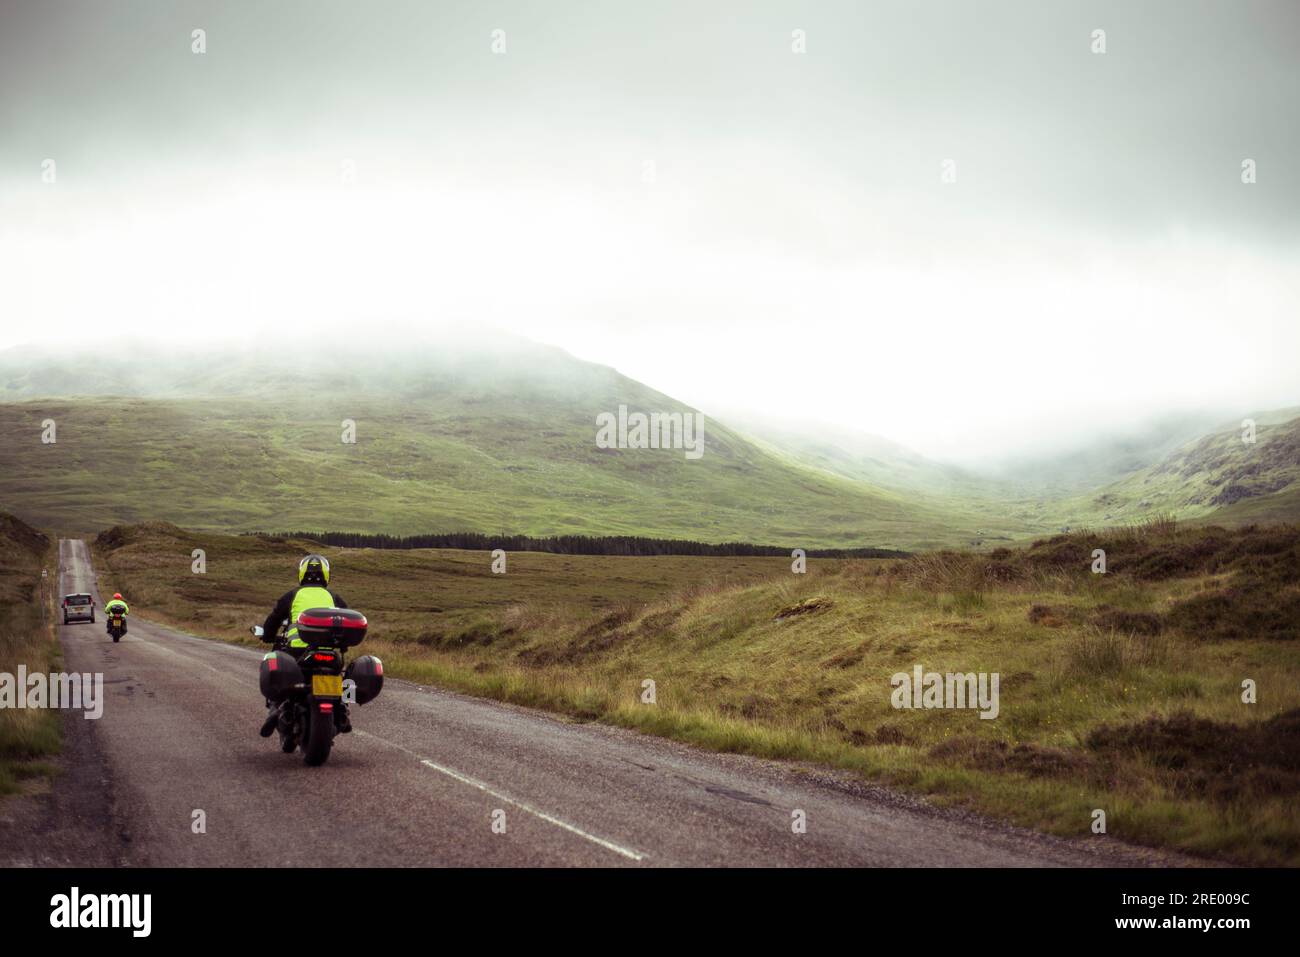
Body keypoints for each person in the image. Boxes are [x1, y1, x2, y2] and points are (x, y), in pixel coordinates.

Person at [258, 554, 351, 737]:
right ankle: (343, 709)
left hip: (297, 651)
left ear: (301, 573)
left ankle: (275, 710)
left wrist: (268, 636)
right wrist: (344, 643)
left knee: (279, 675)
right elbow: (347, 620)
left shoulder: (292, 595)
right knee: (339, 675)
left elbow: (274, 619)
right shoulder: (334, 598)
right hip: (328, 652)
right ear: (326, 574)